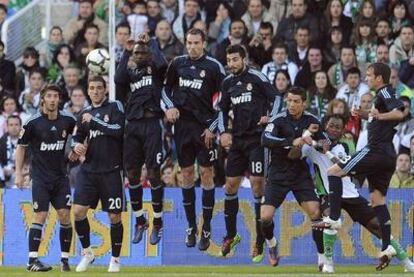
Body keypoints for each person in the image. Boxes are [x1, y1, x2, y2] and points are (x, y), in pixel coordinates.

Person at [314, 63, 406, 270]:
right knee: (378, 201)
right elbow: (386, 120)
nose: (366, 78)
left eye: (369, 75)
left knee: (333, 172)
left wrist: (378, 115)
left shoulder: (384, 91)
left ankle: (335, 218)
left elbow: (400, 113)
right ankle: (386, 248)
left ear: (379, 78)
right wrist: (367, 115)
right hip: (388, 155)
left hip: (375, 151)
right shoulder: (381, 96)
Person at [303, 114, 414, 273]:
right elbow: (294, 154)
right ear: (324, 127)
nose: (334, 130)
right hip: (329, 193)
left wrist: (326, 152)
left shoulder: (347, 145)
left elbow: (346, 168)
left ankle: (407, 263)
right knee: (330, 219)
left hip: (350, 193)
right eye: (331, 126)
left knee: (378, 227)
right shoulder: (312, 146)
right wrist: (308, 140)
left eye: (338, 127)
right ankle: (328, 264)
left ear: (343, 131)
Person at [162, 28, 226, 251]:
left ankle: (206, 226)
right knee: (186, 173)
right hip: (182, 128)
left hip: (205, 129)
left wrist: (213, 127)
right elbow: (164, 90)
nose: (192, 47)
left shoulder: (214, 67)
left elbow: (223, 102)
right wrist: (169, 107)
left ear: (204, 43)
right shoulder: (177, 64)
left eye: (196, 43)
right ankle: (191, 225)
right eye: (189, 43)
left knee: (207, 173)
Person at [218, 44, 282, 262]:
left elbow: (277, 99)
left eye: (235, 59)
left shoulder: (257, 77)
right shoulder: (227, 83)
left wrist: (270, 119)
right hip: (237, 141)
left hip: (256, 140)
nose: (232, 63)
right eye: (229, 60)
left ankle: (259, 240)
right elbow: (221, 110)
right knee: (230, 185)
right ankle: (230, 235)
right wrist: (223, 132)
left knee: (257, 184)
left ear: (243, 59)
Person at [260, 87, 325, 267]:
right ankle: (272, 244)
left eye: (296, 101)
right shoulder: (278, 119)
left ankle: (322, 258)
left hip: (300, 173)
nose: (292, 105)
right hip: (278, 173)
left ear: (304, 102)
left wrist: (313, 141)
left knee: (315, 213)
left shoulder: (312, 121)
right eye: (289, 101)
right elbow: (264, 140)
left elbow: (326, 144)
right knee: (265, 217)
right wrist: (290, 142)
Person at [15, 85, 77, 272]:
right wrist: (18, 172)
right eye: (49, 96)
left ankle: (65, 260)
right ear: (42, 99)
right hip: (40, 178)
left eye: (55, 96)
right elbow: (21, 147)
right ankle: (32, 260)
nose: (52, 99)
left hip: (60, 177)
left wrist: (76, 149)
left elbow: (80, 135)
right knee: (40, 215)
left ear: (59, 99)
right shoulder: (32, 122)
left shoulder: (68, 120)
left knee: (65, 215)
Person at [115, 33, 168, 246]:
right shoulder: (129, 72)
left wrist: (151, 43)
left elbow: (163, 63)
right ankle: (139, 220)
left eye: (142, 52)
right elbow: (118, 80)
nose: (139, 55)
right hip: (133, 125)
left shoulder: (155, 70)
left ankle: (157, 221)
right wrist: (127, 50)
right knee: (133, 174)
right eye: (136, 53)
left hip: (153, 124)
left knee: (154, 173)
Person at [71, 76, 125, 273]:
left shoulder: (115, 106)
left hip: (111, 171)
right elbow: (77, 137)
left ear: (105, 90)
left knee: (114, 216)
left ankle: (115, 259)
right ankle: (87, 253)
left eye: (99, 88)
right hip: (89, 170)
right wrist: (75, 145)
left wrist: (94, 122)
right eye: (92, 88)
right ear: (88, 91)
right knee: (77, 212)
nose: (95, 91)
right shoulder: (84, 113)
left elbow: (118, 130)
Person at [0, 115, 21, 188]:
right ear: (7, 127)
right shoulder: (2, 141)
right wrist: (4, 169)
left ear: (20, 126)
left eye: (16, 124)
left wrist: (14, 169)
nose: (14, 127)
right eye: (11, 125)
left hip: (22, 175)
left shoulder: (27, 141)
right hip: (5, 175)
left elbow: (29, 161)